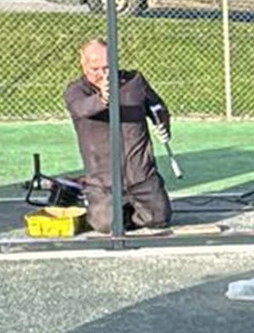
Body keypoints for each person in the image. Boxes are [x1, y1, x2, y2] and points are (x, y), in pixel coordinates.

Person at [64, 39, 173, 233]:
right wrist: (102, 98)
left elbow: (157, 106)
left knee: (159, 219)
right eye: (95, 69)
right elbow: (81, 108)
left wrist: (162, 122)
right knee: (106, 225)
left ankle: (132, 209)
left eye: (108, 68)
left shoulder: (135, 81)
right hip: (103, 181)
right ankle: (92, 195)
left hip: (141, 175)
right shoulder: (76, 91)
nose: (103, 74)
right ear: (83, 64)